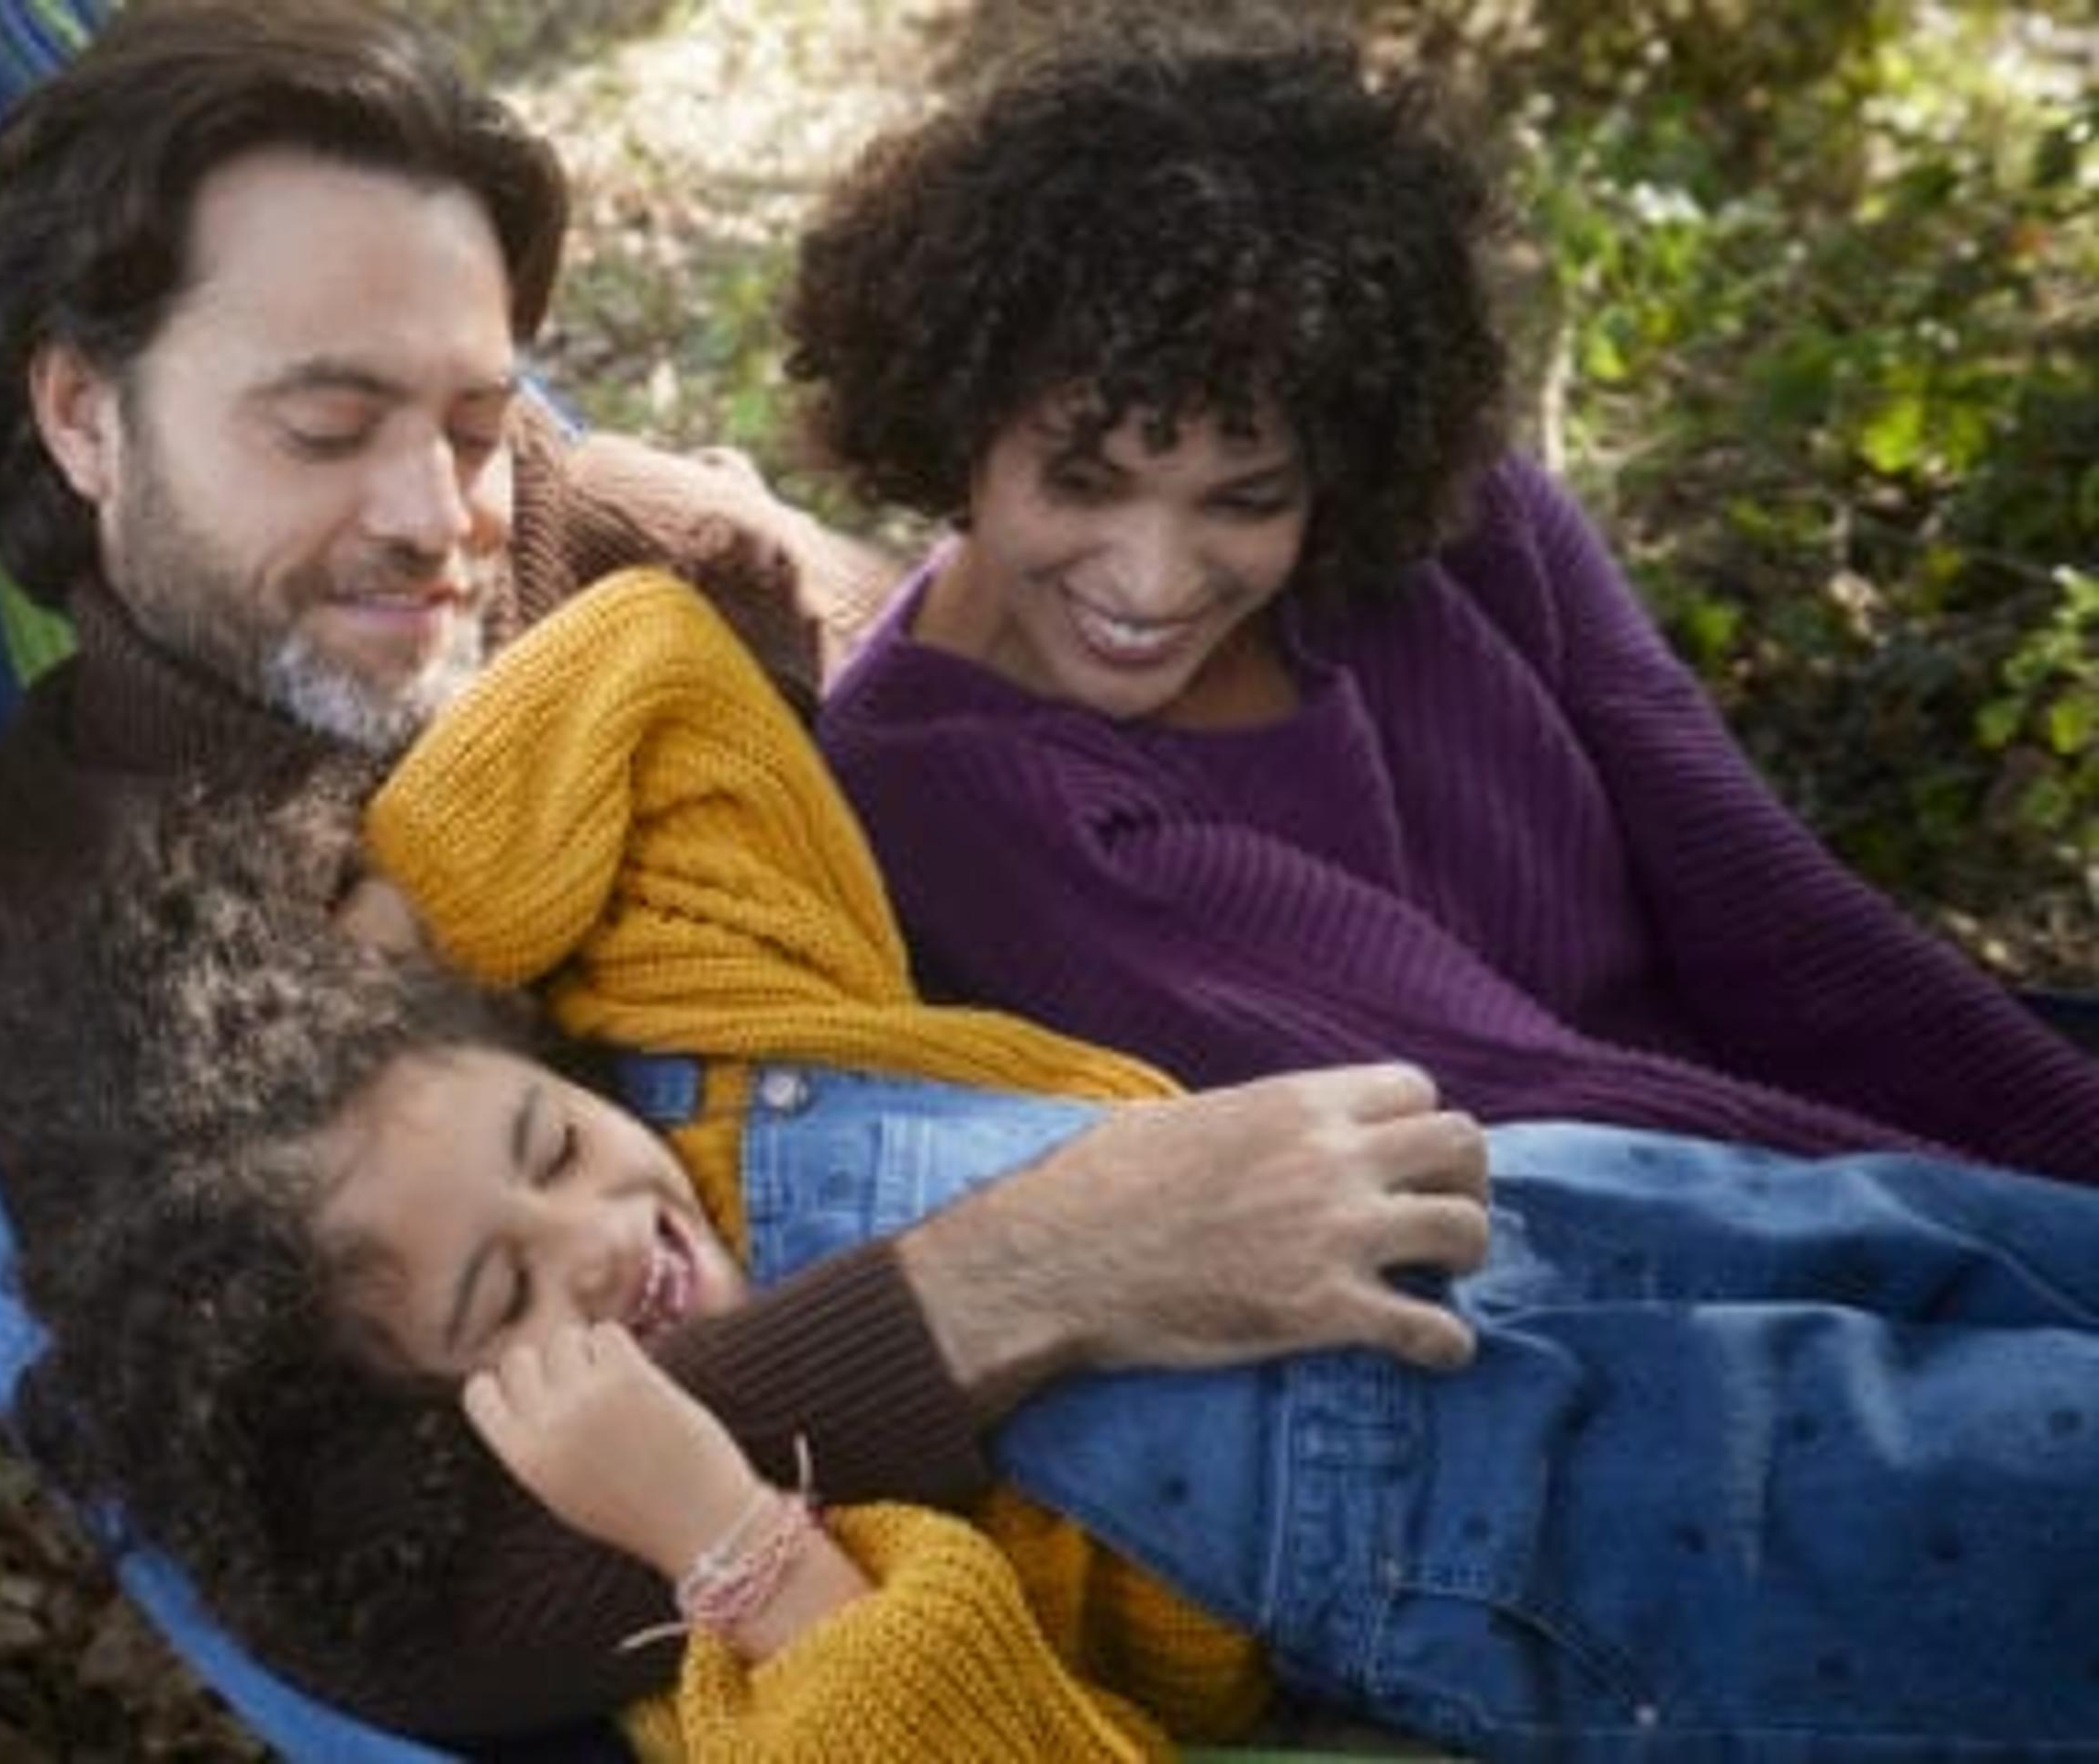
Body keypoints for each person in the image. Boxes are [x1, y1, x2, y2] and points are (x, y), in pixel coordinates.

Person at [0, 0, 1497, 1736]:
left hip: (1362, 1206)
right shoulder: (51, 922)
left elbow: (967, 657)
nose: (440, 518)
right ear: (83, 411)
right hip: (1070, 1588)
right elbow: (412, 1613)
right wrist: (1037, 1274)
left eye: (468, 415)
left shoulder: (583, 533)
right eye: (325, 424)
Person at [17, 567, 2099, 1758]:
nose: (603, 1235)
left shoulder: (712, 1020)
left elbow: (652, 662)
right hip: (1556, 1525)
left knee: (2035, 1260)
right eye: (503, 1296)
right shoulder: (698, 1601)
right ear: (458, 1433)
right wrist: (736, 1534)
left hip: (1581, 1198)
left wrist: (393, 937)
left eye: (549, 1145)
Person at [785, 25, 2099, 1182]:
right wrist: (2042, 1240)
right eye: (1083, 482)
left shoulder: (1465, 531)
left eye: (1246, 500)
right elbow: (1536, 1113)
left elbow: (1777, 916)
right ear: (956, 422)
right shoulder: (949, 792)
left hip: (1833, 1158)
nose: (1152, 579)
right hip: (1626, 1275)